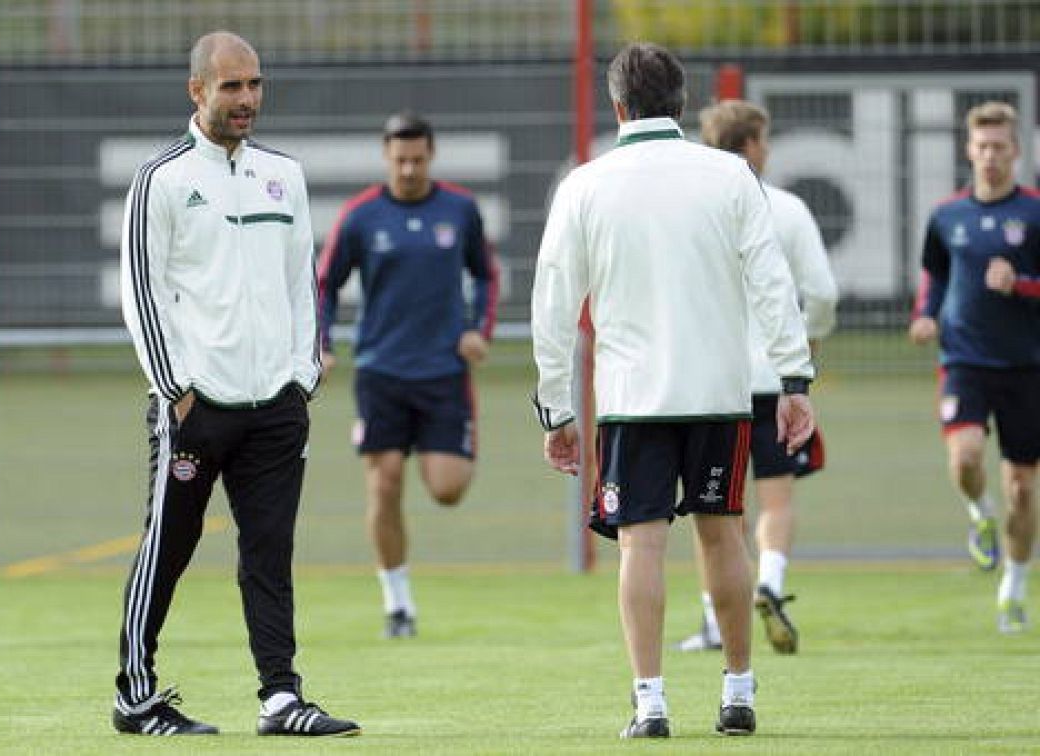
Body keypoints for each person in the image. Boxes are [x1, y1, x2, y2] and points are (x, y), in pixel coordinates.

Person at [531, 43, 815, 739]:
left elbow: (553, 304)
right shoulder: (730, 175)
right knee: (724, 536)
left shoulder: (585, 184)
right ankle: (738, 694)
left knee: (640, 546)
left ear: (617, 106)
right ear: (682, 103)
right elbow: (772, 282)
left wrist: (556, 408)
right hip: (718, 391)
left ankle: (651, 703)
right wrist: (793, 378)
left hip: (632, 399)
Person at [112, 31, 359, 738]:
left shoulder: (284, 174)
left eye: (254, 84)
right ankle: (135, 697)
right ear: (198, 90)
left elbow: (302, 282)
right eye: (232, 86)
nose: (247, 98)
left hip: (275, 405)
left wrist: (302, 376)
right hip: (195, 407)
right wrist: (175, 388)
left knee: (270, 554)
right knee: (169, 547)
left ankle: (281, 698)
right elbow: (142, 293)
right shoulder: (160, 179)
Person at [316, 110, 500, 639]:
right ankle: (398, 605)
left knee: (447, 488)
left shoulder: (460, 209)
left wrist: (478, 330)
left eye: (418, 159)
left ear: (431, 155)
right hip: (381, 371)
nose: (409, 169)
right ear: (386, 157)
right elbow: (325, 284)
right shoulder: (360, 216)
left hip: (444, 372)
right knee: (385, 481)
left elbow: (485, 275)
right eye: (400, 160)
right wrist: (321, 345)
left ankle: (448, 442)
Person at [677, 100, 840, 655]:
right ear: (750, 145)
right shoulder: (787, 209)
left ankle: (712, 618)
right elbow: (822, 292)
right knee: (776, 498)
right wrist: (809, 342)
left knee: (715, 508)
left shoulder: (694, 211)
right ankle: (768, 581)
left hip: (711, 382)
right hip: (773, 381)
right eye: (763, 140)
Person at [908, 100, 1040, 634]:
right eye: (982, 146)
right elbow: (935, 274)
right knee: (965, 459)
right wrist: (925, 314)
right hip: (964, 359)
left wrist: (1022, 285)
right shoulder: (947, 215)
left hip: (1027, 366)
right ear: (969, 149)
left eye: (999, 147)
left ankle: (1014, 587)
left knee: (1023, 489)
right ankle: (980, 514)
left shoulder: (1034, 212)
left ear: (1016, 151)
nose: (990, 156)